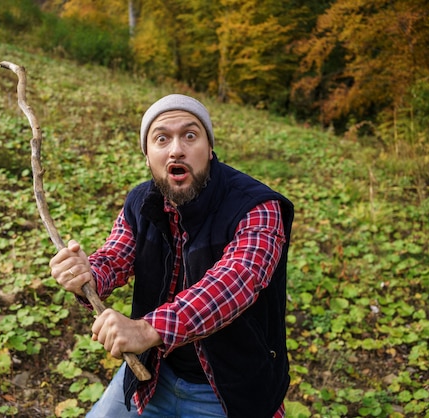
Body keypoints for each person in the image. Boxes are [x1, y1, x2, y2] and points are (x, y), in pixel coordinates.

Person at [49, 94, 294, 418]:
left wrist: (148, 331)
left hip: (232, 393)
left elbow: (234, 283)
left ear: (209, 148)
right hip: (151, 376)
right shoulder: (141, 202)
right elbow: (114, 257)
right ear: (148, 156)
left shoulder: (257, 207)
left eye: (190, 135)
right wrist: (85, 274)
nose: (176, 149)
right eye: (161, 138)